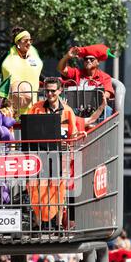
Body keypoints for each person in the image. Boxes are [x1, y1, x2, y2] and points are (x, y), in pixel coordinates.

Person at [27, 77, 86, 228]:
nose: (50, 94)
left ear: (59, 91)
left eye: (53, 91)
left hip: (61, 155)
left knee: (59, 190)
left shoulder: (67, 111)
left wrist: (78, 136)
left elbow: (73, 134)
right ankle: (38, 223)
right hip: (40, 154)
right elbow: (29, 129)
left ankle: (59, 224)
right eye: (47, 91)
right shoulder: (36, 108)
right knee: (37, 188)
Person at [0, 26, 43, 114]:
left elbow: (37, 73)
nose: (29, 43)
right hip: (9, 100)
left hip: (31, 100)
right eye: (25, 41)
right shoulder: (8, 56)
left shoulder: (33, 55)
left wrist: (46, 80)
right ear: (18, 43)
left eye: (30, 40)